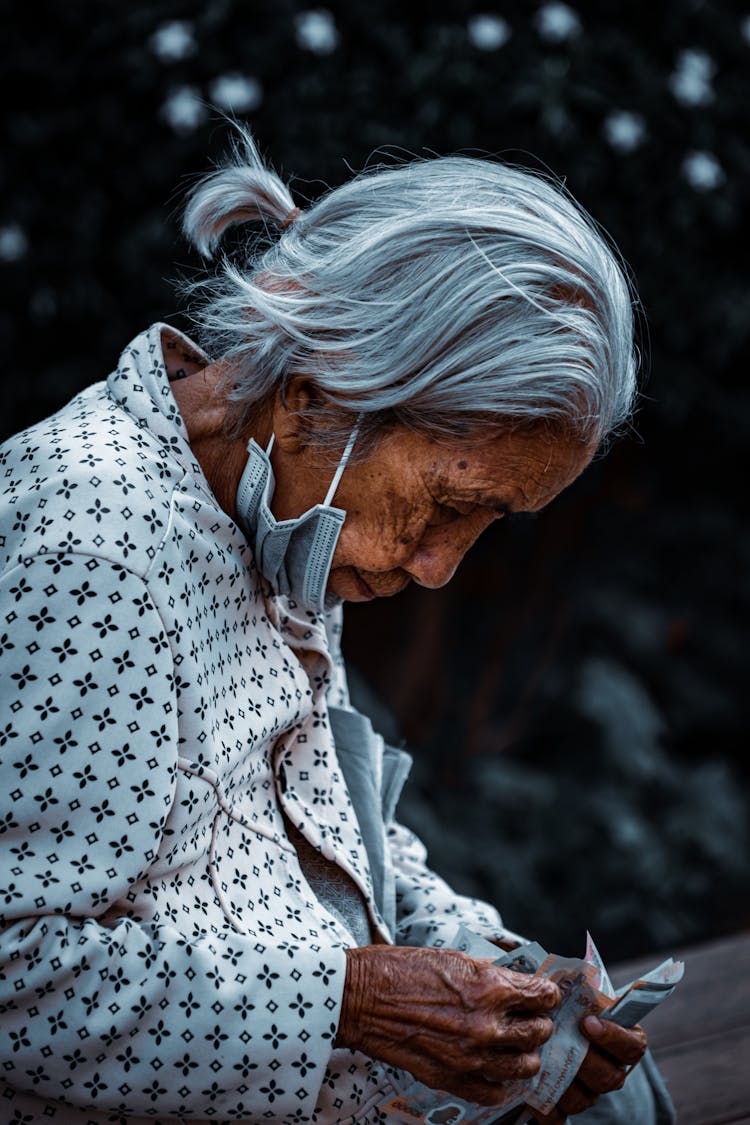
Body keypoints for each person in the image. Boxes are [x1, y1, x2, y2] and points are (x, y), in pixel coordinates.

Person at [0, 128, 675, 1125]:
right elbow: (18, 977)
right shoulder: (92, 549)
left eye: (490, 525)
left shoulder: (284, 510)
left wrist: (507, 984)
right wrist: (349, 1002)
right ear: (321, 394)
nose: (443, 566)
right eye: (449, 506)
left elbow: (329, 835)